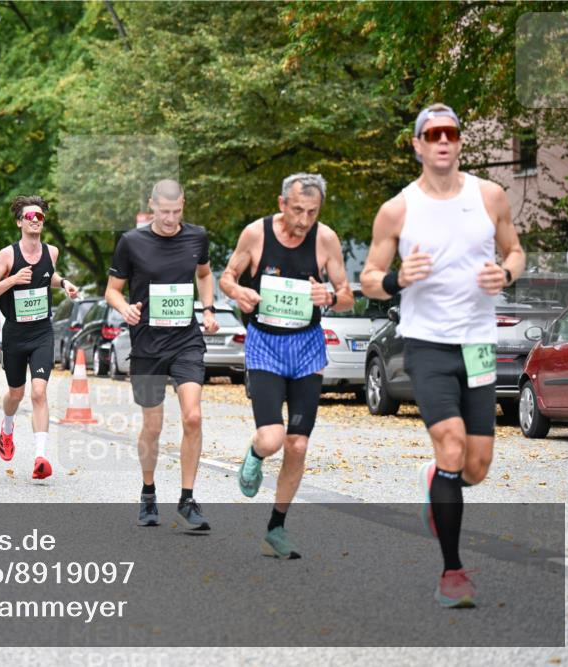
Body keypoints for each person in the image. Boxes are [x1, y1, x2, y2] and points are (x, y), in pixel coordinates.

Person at [361, 103, 525, 608]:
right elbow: (369, 276)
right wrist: (396, 280)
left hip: (477, 345)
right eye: (432, 134)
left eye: (450, 133)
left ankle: (438, 482)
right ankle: (452, 573)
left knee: (475, 467)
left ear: (459, 141)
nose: (442, 141)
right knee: (450, 445)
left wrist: (508, 273)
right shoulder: (398, 209)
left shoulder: (490, 196)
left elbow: (515, 250)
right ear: (417, 144)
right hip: (427, 343)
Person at [220, 173, 354, 557]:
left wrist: (327, 295)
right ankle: (255, 453)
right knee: (272, 438)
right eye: (297, 210)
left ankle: (276, 527)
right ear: (281, 204)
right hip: (264, 345)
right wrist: (239, 291)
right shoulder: (256, 234)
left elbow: (346, 296)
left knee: (297, 444)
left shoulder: (326, 239)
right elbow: (227, 277)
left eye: (312, 212)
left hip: (307, 347)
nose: (304, 220)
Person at [105, 179, 217, 532]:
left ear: (184, 204)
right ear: (151, 205)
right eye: (164, 212)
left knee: (193, 417)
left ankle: (187, 499)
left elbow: (205, 273)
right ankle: (149, 491)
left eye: (177, 211)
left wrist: (210, 308)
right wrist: (125, 308)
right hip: (148, 345)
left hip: (186, 340)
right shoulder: (131, 242)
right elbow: (112, 291)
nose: (171, 219)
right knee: (152, 427)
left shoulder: (197, 237)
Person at [0, 195, 79, 479]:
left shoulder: (52, 252)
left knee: (39, 392)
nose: (35, 220)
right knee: (16, 393)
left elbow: (47, 275)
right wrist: (13, 279)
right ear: (19, 222)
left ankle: (40, 457)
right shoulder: (8, 255)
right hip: (14, 332)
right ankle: (8, 428)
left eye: (39, 217)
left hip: (41, 332)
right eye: (29, 217)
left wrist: (64, 282)